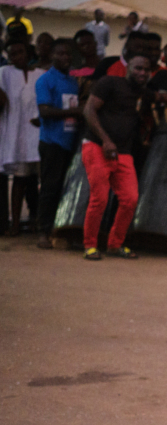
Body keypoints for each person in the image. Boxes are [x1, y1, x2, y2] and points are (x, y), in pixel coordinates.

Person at [80, 54, 151, 260]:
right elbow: (89, 110)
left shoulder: (142, 93)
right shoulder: (109, 83)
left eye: (146, 70)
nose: (142, 73)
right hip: (97, 146)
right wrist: (105, 140)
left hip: (123, 151)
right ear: (127, 67)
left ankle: (114, 244)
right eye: (138, 68)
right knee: (99, 198)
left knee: (130, 199)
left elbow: (162, 98)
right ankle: (90, 245)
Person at [35, 38, 82, 249]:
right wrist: (75, 112)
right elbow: (44, 111)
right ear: (52, 55)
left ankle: (58, 229)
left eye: (68, 54)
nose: (65, 57)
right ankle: (42, 231)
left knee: (64, 187)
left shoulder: (73, 81)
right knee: (49, 187)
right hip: (52, 142)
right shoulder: (45, 80)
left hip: (69, 141)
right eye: (61, 54)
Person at [0, 39, 42, 237]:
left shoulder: (41, 74)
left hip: (40, 133)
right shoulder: (4, 74)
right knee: (20, 180)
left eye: (20, 52)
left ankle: (40, 223)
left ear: (29, 53)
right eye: (11, 53)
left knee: (41, 180)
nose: (16, 57)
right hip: (17, 135)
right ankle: (15, 224)